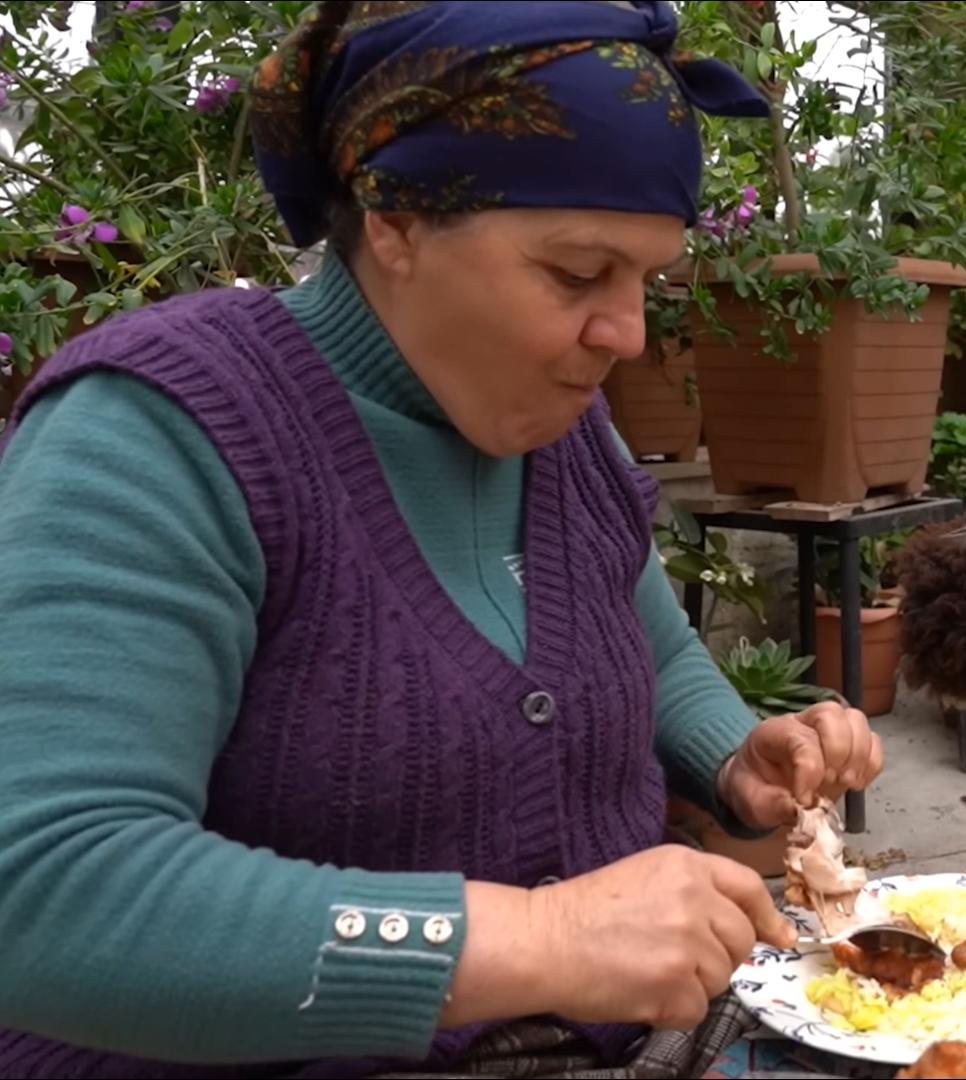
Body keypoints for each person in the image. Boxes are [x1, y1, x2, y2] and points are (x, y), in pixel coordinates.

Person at [0, 3, 883, 1077]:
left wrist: (736, 755)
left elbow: (646, 646)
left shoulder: (569, 439)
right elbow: (41, 894)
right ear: (396, 224)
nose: (629, 334)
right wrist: (536, 940)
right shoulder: (162, 431)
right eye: (576, 273)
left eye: (646, 279)